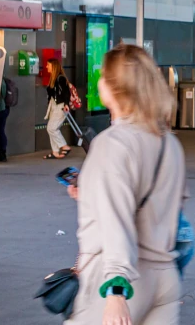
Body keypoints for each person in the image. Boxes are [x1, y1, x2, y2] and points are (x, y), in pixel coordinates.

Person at [64, 44, 186, 325]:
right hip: (165, 278)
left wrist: (116, 290)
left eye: (103, 76)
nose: (99, 81)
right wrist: (90, 197)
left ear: (114, 88)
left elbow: (117, 220)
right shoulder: (170, 143)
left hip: (125, 282)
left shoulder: (111, 144)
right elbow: (166, 208)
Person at [44, 58, 72, 159]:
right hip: (53, 106)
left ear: (54, 66)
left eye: (48, 65)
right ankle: (55, 152)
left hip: (60, 106)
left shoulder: (61, 78)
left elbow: (66, 92)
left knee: (51, 128)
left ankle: (64, 146)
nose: (47, 67)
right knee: (53, 128)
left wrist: (66, 104)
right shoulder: (53, 78)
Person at [0, 76, 10, 162]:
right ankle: (2, 153)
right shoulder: (1, 78)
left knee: (0, 131)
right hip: (2, 109)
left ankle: (2, 153)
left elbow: (3, 94)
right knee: (1, 131)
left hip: (0, 109)